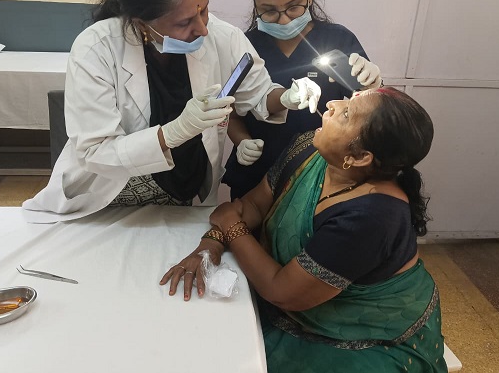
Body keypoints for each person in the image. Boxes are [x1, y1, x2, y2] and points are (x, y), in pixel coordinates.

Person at [22, 0, 322, 223]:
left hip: (186, 195)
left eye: (204, 10)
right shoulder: (96, 49)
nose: (202, 29)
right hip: (108, 197)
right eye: (184, 22)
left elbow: (258, 94)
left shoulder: (224, 37)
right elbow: (95, 152)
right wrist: (174, 132)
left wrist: (287, 96)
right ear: (142, 23)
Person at [161, 87, 447, 372]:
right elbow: (255, 206)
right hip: (288, 295)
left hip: (368, 333)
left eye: (346, 114)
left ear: (359, 157)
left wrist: (231, 227)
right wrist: (211, 243)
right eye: (345, 101)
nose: (332, 104)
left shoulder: (372, 216)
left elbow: (282, 291)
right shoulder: (309, 148)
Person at [223, 0, 382, 199]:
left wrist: (372, 85)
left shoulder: (337, 40)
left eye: (293, 6)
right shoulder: (245, 46)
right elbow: (231, 111)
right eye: (269, 11)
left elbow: (370, 112)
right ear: (255, 3)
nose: (284, 20)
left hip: (319, 175)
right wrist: (241, 141)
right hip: (257, 172)